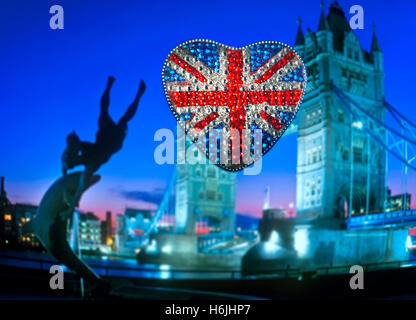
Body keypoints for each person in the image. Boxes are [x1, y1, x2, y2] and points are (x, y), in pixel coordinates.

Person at [61, 76, 146, 212]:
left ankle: (110, 86)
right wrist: (69, 208)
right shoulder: (90, 166)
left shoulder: (79, 149)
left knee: (103, 112)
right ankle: (139, 94)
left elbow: (65, 168)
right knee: (123, 120)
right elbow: (79, 191)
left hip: (102, 138)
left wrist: (65, 183)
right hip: (111, 143)